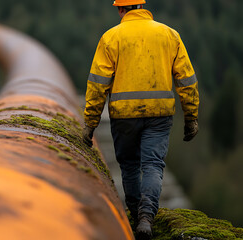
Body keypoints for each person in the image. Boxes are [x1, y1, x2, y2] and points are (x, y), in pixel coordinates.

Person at [82, 0, 199, 239]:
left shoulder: (111, 37)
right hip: (160, 114)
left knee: (129, 166)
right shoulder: (169, 34)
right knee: (153, 165)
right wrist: (191, 117)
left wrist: (90, 122)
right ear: (143, 7)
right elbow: (187, 80)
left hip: (123, 116)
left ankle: (136, 217)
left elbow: (97, 85)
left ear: (120, 9)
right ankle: (147, 216)